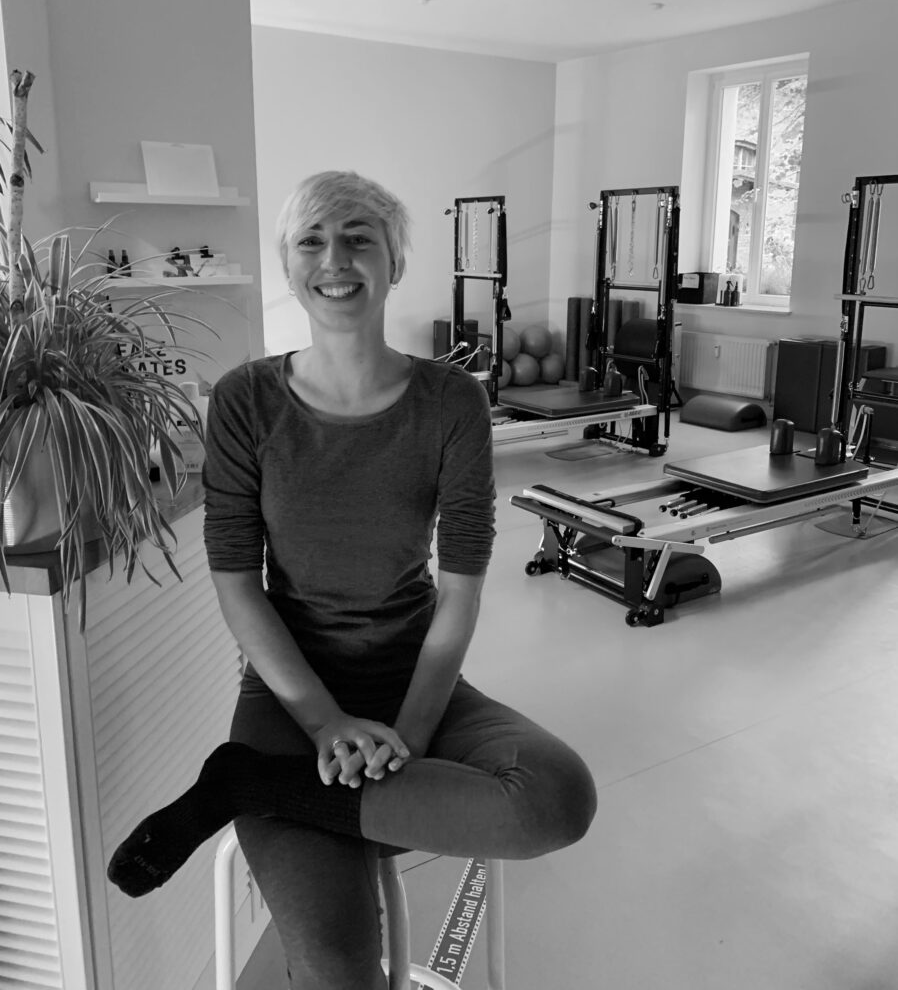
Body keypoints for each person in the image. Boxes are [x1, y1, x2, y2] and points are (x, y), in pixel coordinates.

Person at [108, 170, 597, 989]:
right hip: (288, 700)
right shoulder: (244, 402)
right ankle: (266, 767)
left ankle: (244, 784)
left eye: (359, 237)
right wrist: (327, 722)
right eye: (312, 241)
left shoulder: (451, 402)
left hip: (418, 682)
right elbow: (237, 583)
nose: (335, 259)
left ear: (394, 262)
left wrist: (403, 735)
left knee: (555, 798)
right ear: (291, 265)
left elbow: (463, 587)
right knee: (338, 969)